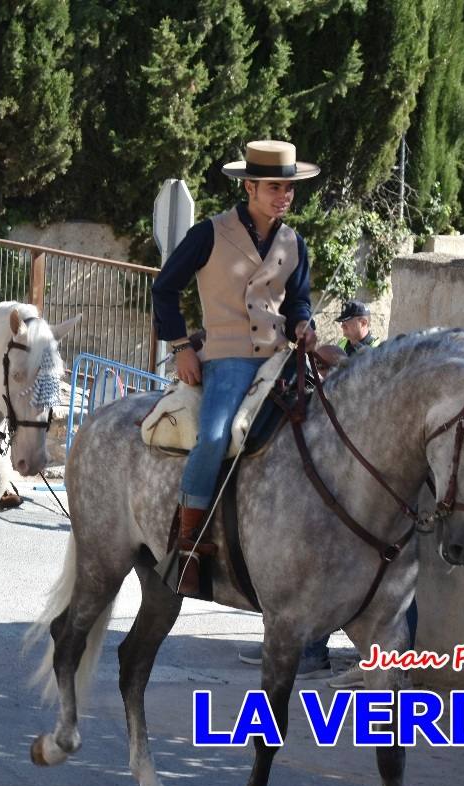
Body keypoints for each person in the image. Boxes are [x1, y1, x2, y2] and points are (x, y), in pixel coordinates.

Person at [151, 140, 319, 600]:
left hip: (281, 355)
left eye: (289, 188)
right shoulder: (210, 233)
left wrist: (305, 323)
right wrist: (182, 345)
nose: (283, 196)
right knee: (215, 435)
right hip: (226, 355)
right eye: (274, 187)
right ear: (249, 186)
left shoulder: (293, 242)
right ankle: (188, 548)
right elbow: (164, 288)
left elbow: (299, 299)